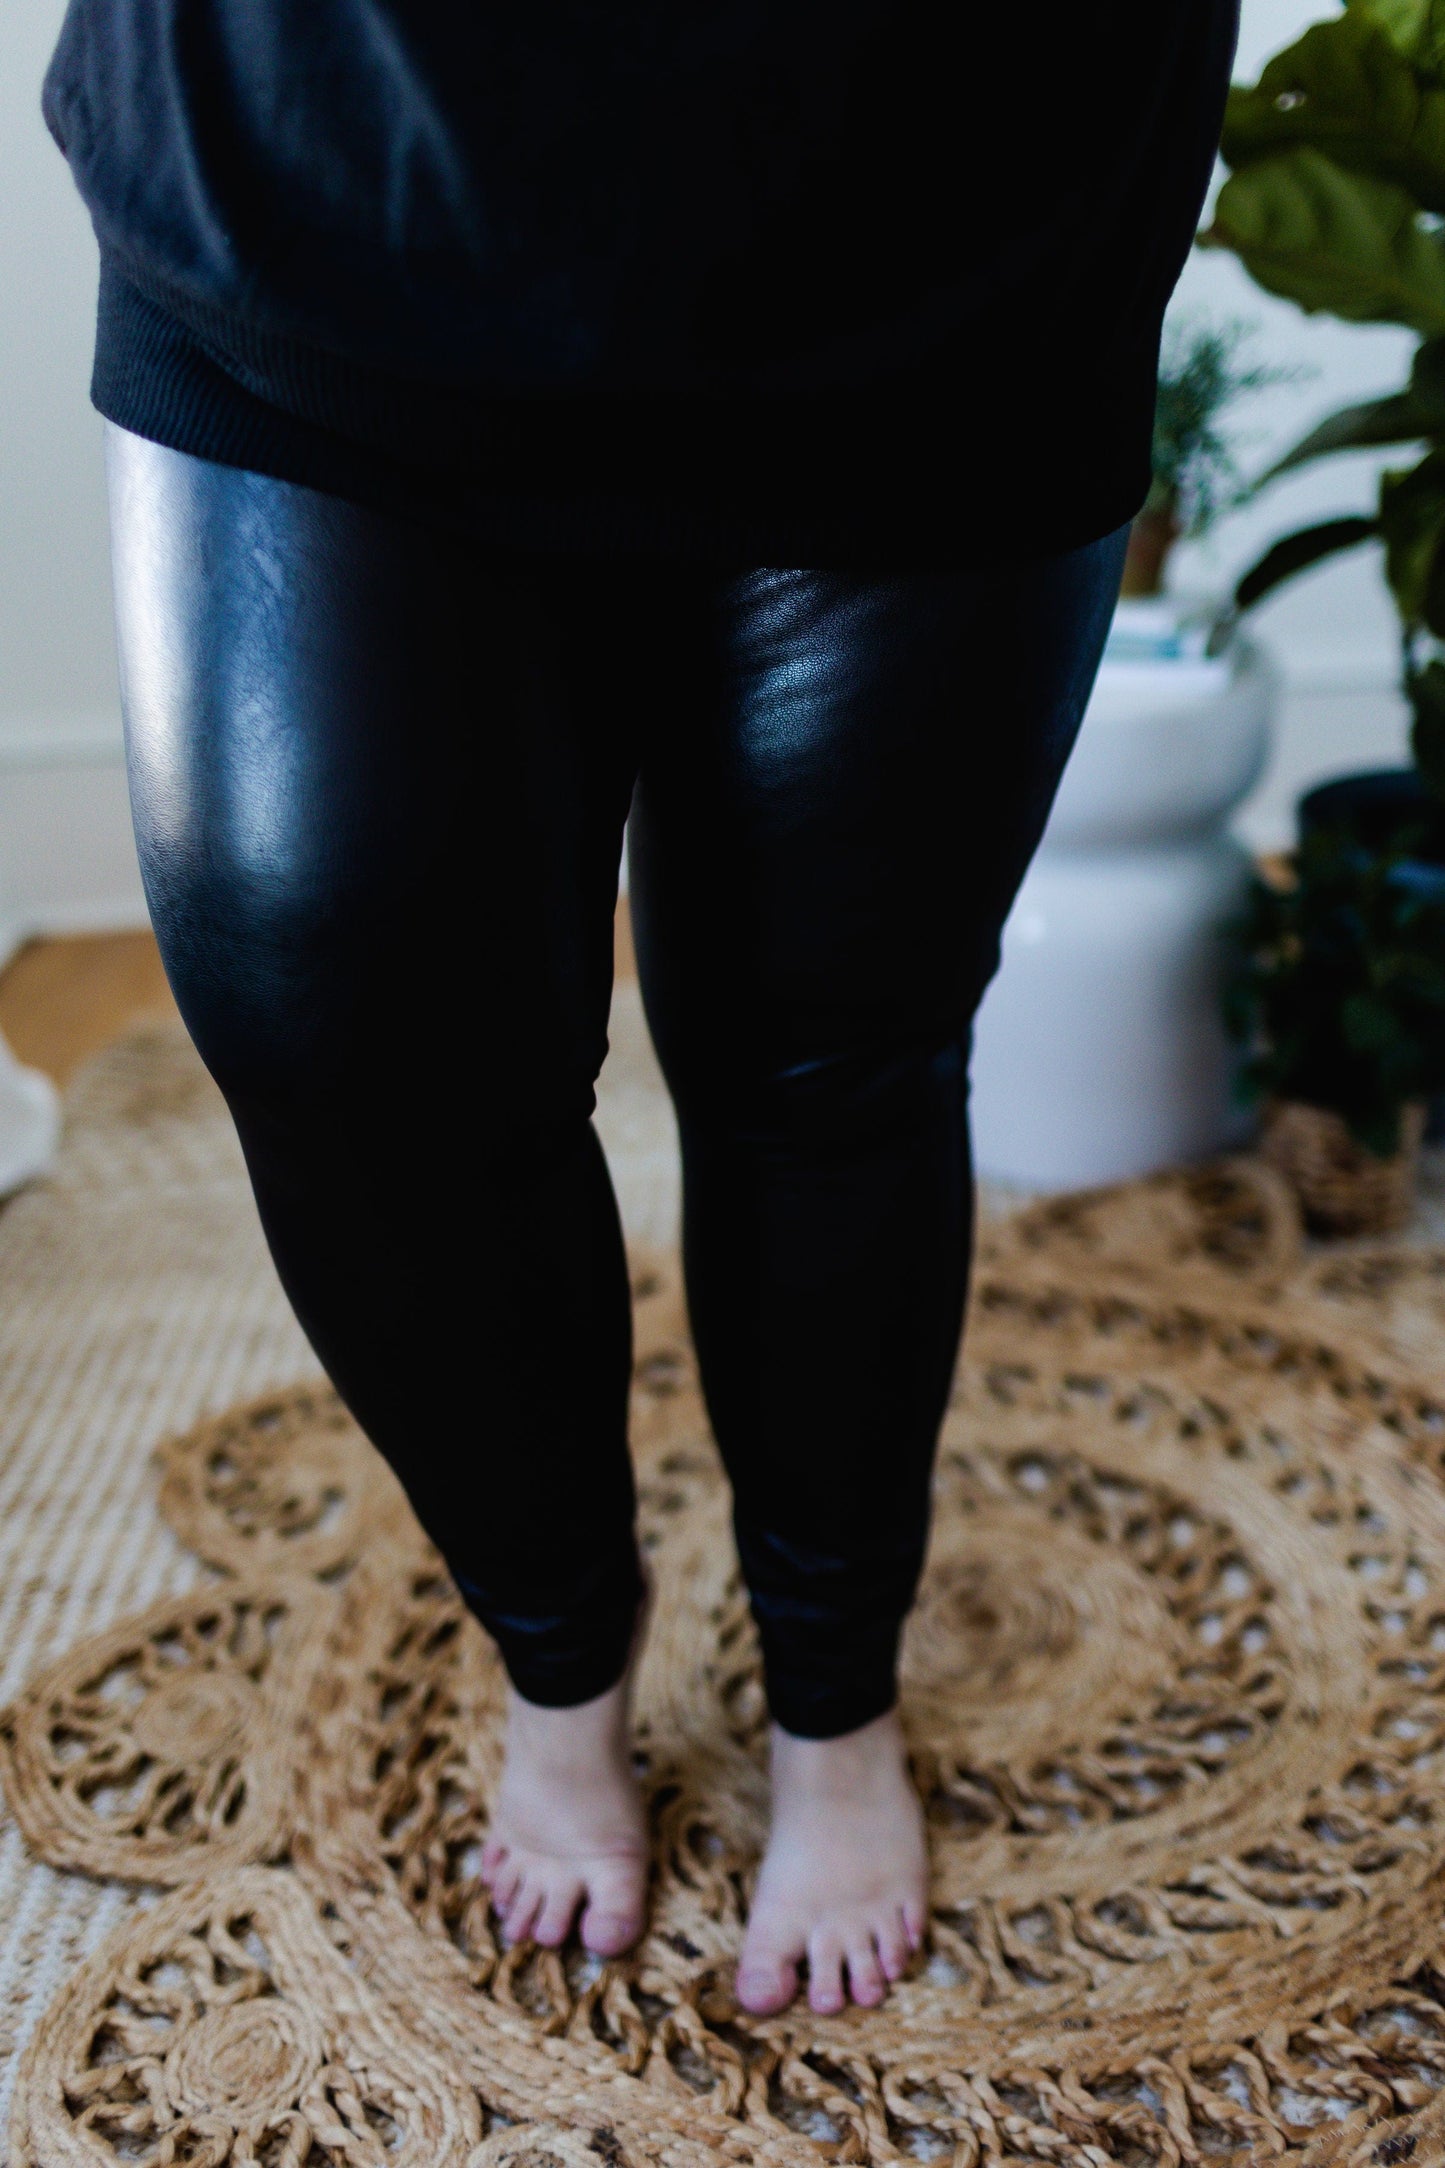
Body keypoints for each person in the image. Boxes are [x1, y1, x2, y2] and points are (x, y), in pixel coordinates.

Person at [45, 0, 1238, 2018]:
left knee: (835, 1050)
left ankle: (834, 1697)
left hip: (945, 217)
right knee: (349, 1029)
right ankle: (561, 1646)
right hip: (322, 157)